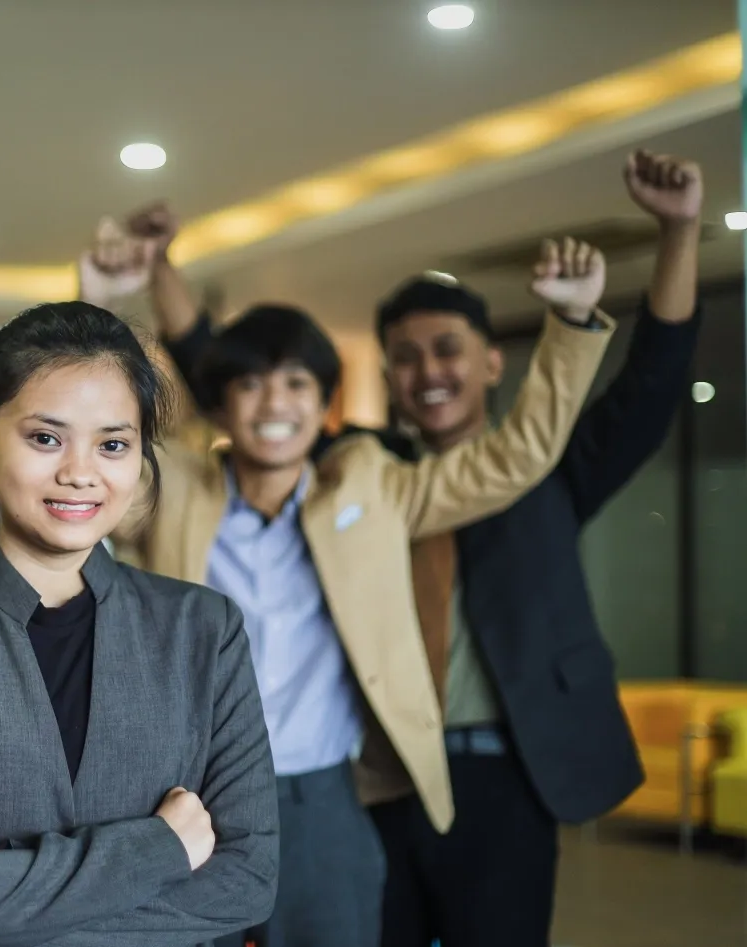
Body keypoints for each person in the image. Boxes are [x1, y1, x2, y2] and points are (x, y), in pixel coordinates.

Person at [81, 207, 615, 947]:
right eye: (252, 385)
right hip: (185, 796)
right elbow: (92, 451)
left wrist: (573, 322)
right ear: (224, 401)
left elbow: (515, 456)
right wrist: (99, 310)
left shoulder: (370, 486)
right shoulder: (173, 487)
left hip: (323, 796)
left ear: (323, 401)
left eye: (298, 384)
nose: (275, 405)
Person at [0, 301, 280, 947]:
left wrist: (1, 890)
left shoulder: (203, 629)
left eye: (112, 444)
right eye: (45, 438)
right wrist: (161, 846)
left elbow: (247, 881)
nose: (81, 472)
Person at [357, 151, 704, 947]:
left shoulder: (544, 469)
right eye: (405, 358)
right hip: (385, 773)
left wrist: (679, 230)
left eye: (446, 349)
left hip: (505, 774)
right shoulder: (367, 480)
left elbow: (652, 383)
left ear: (489, 361)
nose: (427, 372)